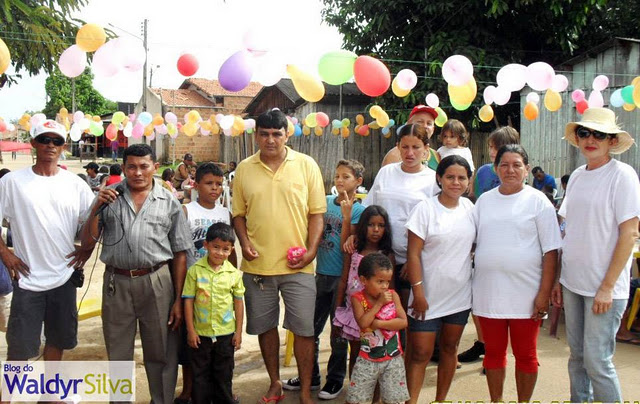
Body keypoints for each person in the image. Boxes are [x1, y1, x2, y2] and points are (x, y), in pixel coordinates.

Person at [80, 143, 193, 404]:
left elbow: (180, 253)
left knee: (161, 351)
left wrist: (178, 299)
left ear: (155, 167)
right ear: (124, 168)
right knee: (118, 351)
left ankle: (161, 400)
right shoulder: (109, 197)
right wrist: (97, 206)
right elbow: (87, 241)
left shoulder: (169, 202)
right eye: (132, 166)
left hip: (158, 281)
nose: (138, 172)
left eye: (144, 166)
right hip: (116, 282)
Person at [232, 109, 326, 404]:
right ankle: (275, 383)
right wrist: (244, 242)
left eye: (277, 134)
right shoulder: (245, 169)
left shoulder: (306, 165)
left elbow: (317, 214)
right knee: (265, 328)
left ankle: (307, 390)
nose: (270, 140)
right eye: (264, 134)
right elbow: (238, 215)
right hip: (258, 266)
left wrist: (311, 251)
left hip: (299, 266)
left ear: (287, 134)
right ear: (256, 135)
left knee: (304, 331)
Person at [551, 107, 640, 402]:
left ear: (612, 141)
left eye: (599, 134)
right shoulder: (576, 176)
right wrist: (559, 281)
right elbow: (568, 231)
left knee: (598, 362)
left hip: (605, 289)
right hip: (573, 283)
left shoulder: (622, 175)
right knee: (577, 358)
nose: (590, 139)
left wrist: (606, 287)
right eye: (584, 132)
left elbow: (629, 235)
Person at [0, 120, 94, 361]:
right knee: (19, 348)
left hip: (63, 277)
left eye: (57, 141)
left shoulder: (76, 185)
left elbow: (91, 222)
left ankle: (49, 396)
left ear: (63, 146)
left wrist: (87, 249)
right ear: (33, 143)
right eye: (44, 139)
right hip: (28, 279)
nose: (50, 145)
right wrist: (5, 253)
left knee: (57, 341)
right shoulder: (11, 183)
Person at [473, 144, 561, 402]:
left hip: (527, 294)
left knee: (526, 354)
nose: (510, 170)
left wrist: (543, 294)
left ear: (526, 170)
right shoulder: (484, 201)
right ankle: (496, 400)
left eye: (516, 165)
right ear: (496, 168)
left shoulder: (538, 201)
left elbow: (551, 252)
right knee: (493, 354)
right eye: (504, 165)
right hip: (489, 293)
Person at [282, 159, 365, 400]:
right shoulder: (326, 203)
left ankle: (335, 379)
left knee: (338, 331)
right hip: (319, 276)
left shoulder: (359, 210)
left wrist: (348, 216)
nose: (339, 181)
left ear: (358, 182)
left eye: (346, 177)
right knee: (310, 329)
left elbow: (346, 247)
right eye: (337, 176)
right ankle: (312, 377)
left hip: (343, 279)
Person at [404, 155, 475, 403]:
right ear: (439, 178)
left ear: (468, 181)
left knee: (449, 349)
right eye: (450, 177)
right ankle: (411, 400)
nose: (456, 182)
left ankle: (440, 399)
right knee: (420, 354)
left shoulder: (471, 209)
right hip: (426, 297)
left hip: (459, 296)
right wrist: (419, 293)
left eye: (461, 177)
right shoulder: (425, 209)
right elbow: (413, 254)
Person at [361, 123, 439, 313]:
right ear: (398, 147)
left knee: (409, 317)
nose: (410, 153)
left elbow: (435, 225)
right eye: (405, 147)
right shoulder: (386, 173)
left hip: (414, 261)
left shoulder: (433, 180)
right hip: (381, 257)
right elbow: (369, 209)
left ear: (426, 150)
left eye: (416, 147)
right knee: (382, 315)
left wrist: (415, 260)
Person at [459, 125, 520, 364]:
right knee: (479, 300)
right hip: (483, 242)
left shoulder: (518, 171)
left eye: (495, 147)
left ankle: (499, 349)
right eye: (491, 147)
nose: (491, 152)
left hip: (509, 247)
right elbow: (474, 200)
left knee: (504, 301)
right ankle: (483, 343)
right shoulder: (484, 171)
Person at [183, 222, 244, 404]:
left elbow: (239, 303)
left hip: (226, 335)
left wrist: (238, 332)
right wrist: (191, 331)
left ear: (232, 250)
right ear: (206, 245)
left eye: (225, 249)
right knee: (200, 376)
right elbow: (188, 301)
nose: (220, 253)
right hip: (201, 335)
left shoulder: (233, 274)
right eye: (215, 247)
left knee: (224, 375)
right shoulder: (194, 271)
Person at [334, 205, 394, 376]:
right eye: (371, 225)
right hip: (354, 313)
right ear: (363, 226)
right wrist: (338, 311)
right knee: (356, 354)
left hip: (378, 315)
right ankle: (356, 392)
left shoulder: (387, 255)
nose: (375, 230)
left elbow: (392, 289)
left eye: (381, 225)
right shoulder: (353, 251)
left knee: (376, 355)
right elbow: (344, 280)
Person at [346, 253, 410, 404]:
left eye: (387, 282)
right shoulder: (358, 299)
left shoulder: (393, 296)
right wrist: (379, 304)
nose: (384, 286)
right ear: (364, 280)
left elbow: (403, 322)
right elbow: (363, 323)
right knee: (356, 399)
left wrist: (379, 324)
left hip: (393, 358)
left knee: (394, 399)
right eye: (379, 281)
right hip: (367, 359)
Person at [381, 105, 440, 170]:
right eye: (420, 122)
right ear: (409, 124)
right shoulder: (394, 155)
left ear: (433, 129)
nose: (425, 126)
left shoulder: (437, 156)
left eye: (429, 123)